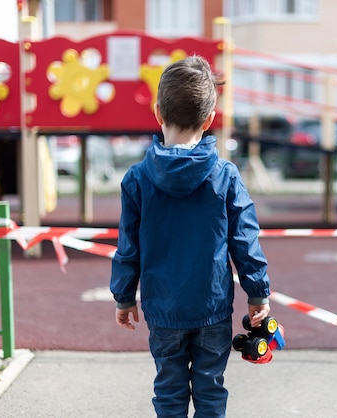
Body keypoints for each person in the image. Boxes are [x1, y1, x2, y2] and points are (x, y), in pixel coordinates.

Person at [110, 55, 271, 418]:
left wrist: (123, 296)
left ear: (157, 113)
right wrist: (257, 292)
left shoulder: (137, 179)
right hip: (211, 307)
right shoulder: (225, 175)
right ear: (210, 119)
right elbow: (245, 240)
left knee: (168, 390)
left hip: (163, 308)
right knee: (210, 388)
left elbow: (127, 247)